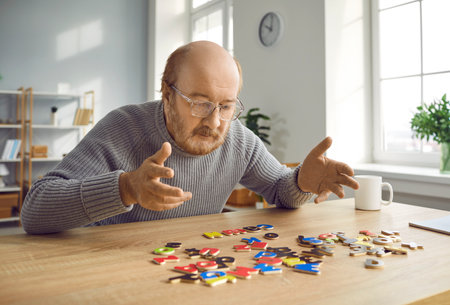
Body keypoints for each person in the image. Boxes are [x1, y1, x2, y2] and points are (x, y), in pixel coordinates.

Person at [21, 41, 359, 234]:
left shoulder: (238, 139)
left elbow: (280, 190)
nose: (214, 121)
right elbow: (34, 210)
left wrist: (302, 181)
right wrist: (126, 188)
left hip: (196, 272)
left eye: (226, 106)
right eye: (199, 103)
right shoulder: (122, 127)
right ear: (167, 94)